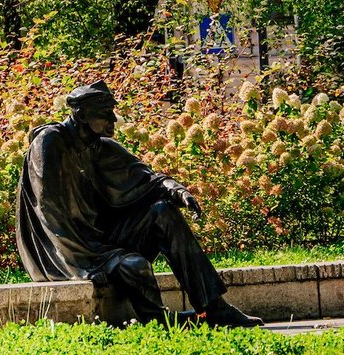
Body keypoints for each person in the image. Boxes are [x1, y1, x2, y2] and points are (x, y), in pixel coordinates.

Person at [16, 80, 264, 328]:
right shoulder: (50, 142)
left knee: (163, 211)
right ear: (81, 114)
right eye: (105, 114)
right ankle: (158, 321)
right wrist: (80, 266)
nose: (113, 119)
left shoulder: (101, 148)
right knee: (135, 266)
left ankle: (214, 308)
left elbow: (150, 180)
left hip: (101, 241)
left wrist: (178, 192)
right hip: (67, 251)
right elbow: (48, 209)